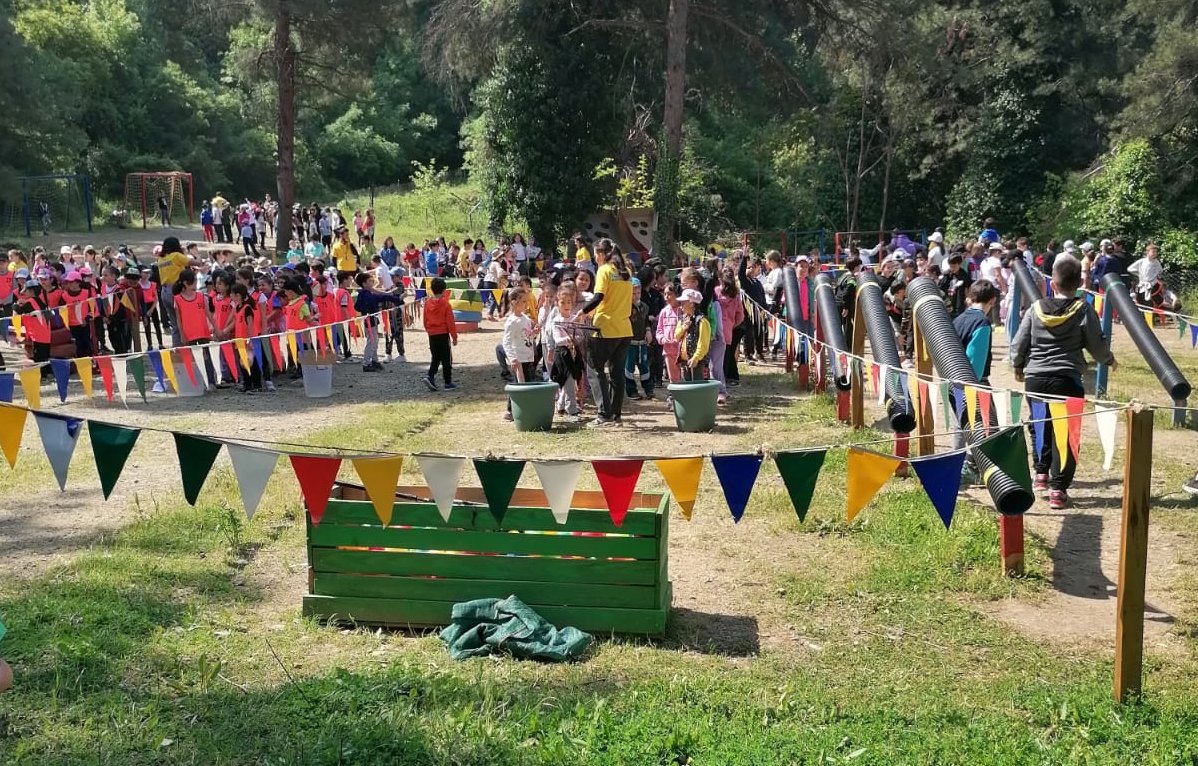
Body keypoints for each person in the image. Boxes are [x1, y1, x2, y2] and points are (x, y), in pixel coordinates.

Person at [1010, 256, 1115, 510]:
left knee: (1040, 425)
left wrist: (1018, 365)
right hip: (1067, 379)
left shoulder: (1035, 308)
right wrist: (1108, 359)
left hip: (1036, 378)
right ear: (1079, 284)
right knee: (1066, 434)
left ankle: (1041, 473)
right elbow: (1096, 344)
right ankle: (1058, 488)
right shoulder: (1083, 309)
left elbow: (1019, 342)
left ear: (1052, 284)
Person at [575, 239, 634, 427]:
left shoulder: (604, 270)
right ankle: (616, 415)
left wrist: (582, 311)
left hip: (605, 328)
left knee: (595, 369)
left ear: (601, 254)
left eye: (595, 254)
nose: (594, 258)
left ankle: (603, 415)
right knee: (617, 373)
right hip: (625, 329)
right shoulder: (626, 272)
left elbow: (599, 296)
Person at [952, 280, 999, 483]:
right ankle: (972, 467)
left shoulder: (958, 319)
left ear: (970, 298)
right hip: (973, 382)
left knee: (960, 425)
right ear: (993, 301)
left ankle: (955, 465)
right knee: (986, 426)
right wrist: (975, 385)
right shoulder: (982, 323)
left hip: (953, 380)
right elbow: (975, 361)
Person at [354, 272, 407, 372]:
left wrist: (394, 297)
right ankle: (366, 363)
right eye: (370, 281)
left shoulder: (365, 293)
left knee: (374, 341)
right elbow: (379, 298)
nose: (372, 282)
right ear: (364, 284)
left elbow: (358, 306)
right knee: (371, 342)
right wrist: (398, 298)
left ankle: (374, 361)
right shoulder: (366, 295)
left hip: (372, 320)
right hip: (369, 321)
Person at [545, 282, 583, 420]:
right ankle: (571, 411)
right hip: (562, 355)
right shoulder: (557, 321)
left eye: (569, 302)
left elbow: (579, 335)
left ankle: (560, 406)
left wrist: (575, 338)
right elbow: (557, 340)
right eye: (563, 302)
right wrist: (569, 339)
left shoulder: (573, 319)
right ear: (557, 303)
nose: (566, 305)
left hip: (573, 354)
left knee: (570, 380)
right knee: (567, 382)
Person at [500, 288, 537, 421]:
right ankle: (510, 411)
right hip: (518, 358)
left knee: (526, 383)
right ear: (514, 302)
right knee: (519, 384)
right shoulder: (512, 321)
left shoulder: (525, 318)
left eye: (527, 301)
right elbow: (506, 341)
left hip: (527, 356)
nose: (526, 304)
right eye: (523, 301)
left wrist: (534, 333)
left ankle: (523, 408)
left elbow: (527, 337)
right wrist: (512, 358)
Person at [422, 277, 458, 391]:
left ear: (432, 289)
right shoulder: (445, 304)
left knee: (435, 357)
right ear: (444, 290)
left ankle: (430, 376)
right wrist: (454, 336)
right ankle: (448, 382)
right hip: (443, 334)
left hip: (432, 334)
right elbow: (450, 322)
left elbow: (425, 319)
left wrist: (428, 330)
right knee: (446, 359)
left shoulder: (427, 303)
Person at [624, 278, 654, 401]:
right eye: (633, 293)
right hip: (629, 343)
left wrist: (648, 330)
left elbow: (646, 320)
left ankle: (648, 389)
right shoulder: (625, 307)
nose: (636, 296)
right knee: (629, 368)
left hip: (642, 342)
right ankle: (632, 391)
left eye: (638, 293)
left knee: (644, 366)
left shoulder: (644, 306)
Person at [716, 267, 745, 387]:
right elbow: (741, 315)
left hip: (716, 328)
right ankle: (725, 380)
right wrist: (733, 324)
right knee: (727, 355)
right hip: (728, 329)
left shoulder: (716, 291)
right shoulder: (735, 295)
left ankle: (718, 380)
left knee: (717, 357)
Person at [675, 289, 711, 381]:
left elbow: (703, 343)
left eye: (683, 302)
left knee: (698, 386)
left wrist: (696, 358)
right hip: (684, 361)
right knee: (686, 386)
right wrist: (683, 328)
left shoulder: (702, 321)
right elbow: (676, 337)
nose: (681, 305)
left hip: (697, 362)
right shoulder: (683, 319)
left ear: (691, 304)